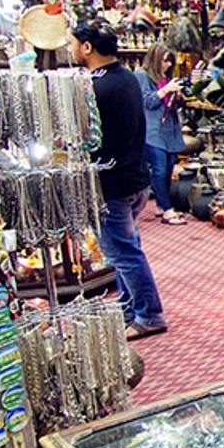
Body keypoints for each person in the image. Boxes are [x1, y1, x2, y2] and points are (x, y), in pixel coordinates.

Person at [71, 18, 169, 339]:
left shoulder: (96, 87)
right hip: (134, 177)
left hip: (113, 182)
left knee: (123, 253)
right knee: (127, 247)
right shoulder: (125, 77)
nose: (70, 49)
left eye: (73, 43)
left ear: (87, 47)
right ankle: (130, 308)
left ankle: (149, 314)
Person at [136, 42, 189, 225]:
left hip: (169, 129)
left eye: (169, 62)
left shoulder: (167, 77)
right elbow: (147, 102)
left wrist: (179, 96)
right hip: (153, 129)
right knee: (159, 169)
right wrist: (165, 90)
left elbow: (173, 104)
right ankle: (167, 210)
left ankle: (161, 204)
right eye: (163, 61)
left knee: (168, 168)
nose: (166, 65)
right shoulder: (142, 76)